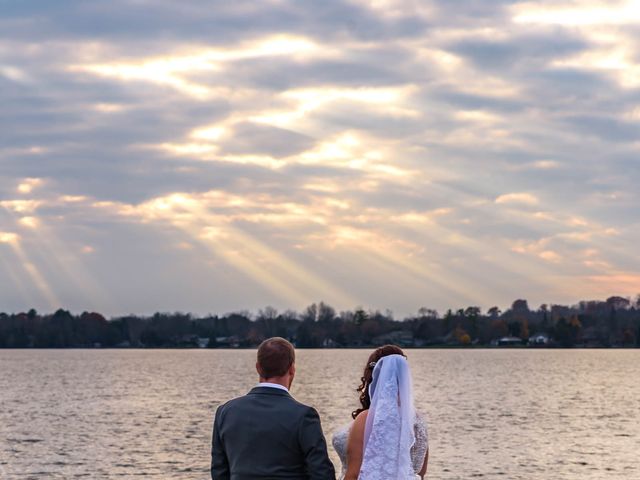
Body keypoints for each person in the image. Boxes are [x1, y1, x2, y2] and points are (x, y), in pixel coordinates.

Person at [211, 337, 336, 480]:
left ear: (258, 367)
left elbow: (219, 472)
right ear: (292, 369)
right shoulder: (304, 416)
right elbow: (322, 474)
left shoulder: (225, 412)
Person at [332, 345, 429, 480]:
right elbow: (420, 472)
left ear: (371, 376)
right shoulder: (417, 421)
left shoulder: (365, 419)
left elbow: (354, 475)